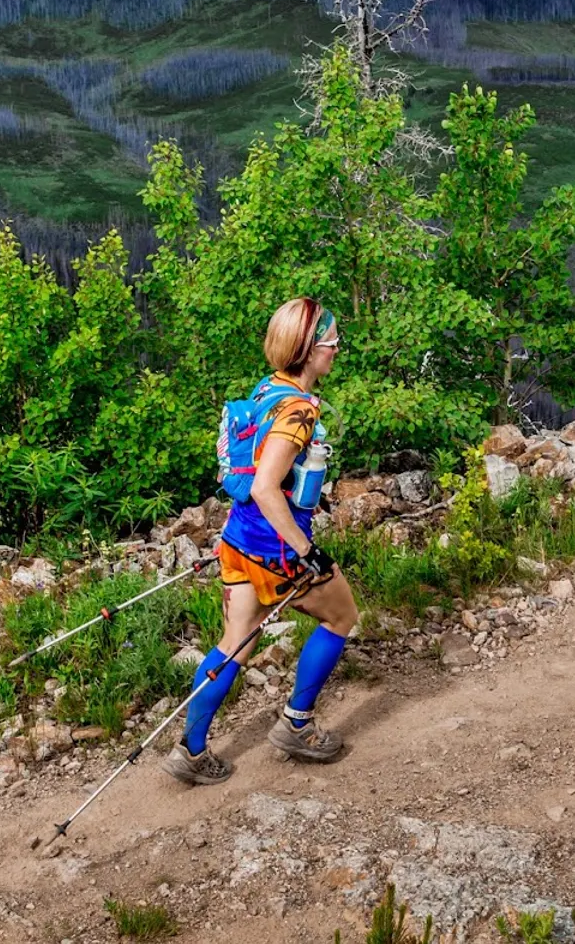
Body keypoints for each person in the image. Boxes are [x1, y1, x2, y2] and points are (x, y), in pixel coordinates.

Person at [164, 297, 360, 785]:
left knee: (234, 645)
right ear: (309, 350)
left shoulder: (270, 389)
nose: (338, 351)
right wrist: (307, 551)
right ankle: (296, 724)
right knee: (342, 616)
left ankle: (191, 751)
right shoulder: (297, 411)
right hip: (276, 550)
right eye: (332, 344)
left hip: (238, 539)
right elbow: (264, 486)